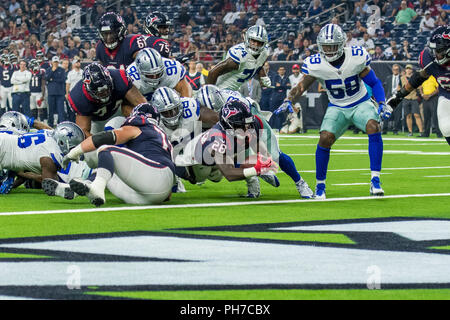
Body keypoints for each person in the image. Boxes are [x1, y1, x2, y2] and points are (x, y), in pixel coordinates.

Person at [285, 24, 391, 199]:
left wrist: (381, 103)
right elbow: (301, 86)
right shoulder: (316, 63)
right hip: (337, 106)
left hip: (360, 102)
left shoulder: (355, 57)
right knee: (325, 138)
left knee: (373, 125)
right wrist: (288, 99)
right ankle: (320, 186)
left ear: (342, 44)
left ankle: (375, 180)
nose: (328, 49)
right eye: (325, 46)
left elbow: (375, 82)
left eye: (332, 45)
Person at [196, 85, 314, 198]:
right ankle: (252, 180)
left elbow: (247, 125)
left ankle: (300, 183)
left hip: (249, 121)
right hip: (232, 127)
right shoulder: (208, 109)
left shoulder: (234, 107)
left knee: (275, 155)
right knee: (235, 157)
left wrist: (263, 162)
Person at [62, 103, 176, 206]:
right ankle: (83, 186)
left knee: (106, 150)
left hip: (155, 174)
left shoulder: (140, 127)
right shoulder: (161, 137)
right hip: (158, 192)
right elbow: (168, 195)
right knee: (109, 169)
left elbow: (102, 138)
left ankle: (97, 187)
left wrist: (74, 152)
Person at [174, 99, 278, 189]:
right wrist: (255, 171)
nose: (247, 128)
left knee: (217, 176)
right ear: (228, 124)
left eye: (248, 124)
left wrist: (266, 163)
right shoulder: (217, 138)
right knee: (199, 178)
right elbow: (229, 174)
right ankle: (175, 174)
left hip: (219, 154)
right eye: (241, 125)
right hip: (195, 159)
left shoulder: (250, 125)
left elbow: (260, 149)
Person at [0, 120, 84, 198]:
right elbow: (50, 185)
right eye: (73, 148)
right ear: (62, 142)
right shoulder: (52, 155)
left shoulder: (50, 133)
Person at [67, 62, 147, 138]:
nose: (104, 94)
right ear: (88, 90)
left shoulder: (120, 78)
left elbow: (142, 104)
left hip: (120, 111)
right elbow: (84, 131)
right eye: (99, 93)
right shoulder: (79, 97)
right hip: (97, 121)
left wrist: (146, 121)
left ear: (110, 80)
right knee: (94, 145)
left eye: (106, 89)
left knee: (137, 110)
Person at [206, 25, 272, 92]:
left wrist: (263, 76)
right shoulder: (239, 56)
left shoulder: (264, 52)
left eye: (259, 43)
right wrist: (210, 91)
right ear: (247, 39)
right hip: (221, 89)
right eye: (253, 41)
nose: (256, 45)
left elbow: (259, 63)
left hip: (236, 90)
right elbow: (212, 72)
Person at [126, 47, 192, 101]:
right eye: (150, 75)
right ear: (139, 72)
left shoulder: (173, 68)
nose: (155, 78)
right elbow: (127, 106)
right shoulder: (130, 77)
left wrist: (186, 103)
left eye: (158, 74)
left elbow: (184, 91)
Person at [401, 64, 425, 137]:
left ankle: (421, 131)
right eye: (407, 69)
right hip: (406, 98)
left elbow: (420, 87)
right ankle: (410, 131)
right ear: (405, 70)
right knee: (408, 115)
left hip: (414, 98)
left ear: (412, 70)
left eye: (409, 69)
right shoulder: (402, 78)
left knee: (417, 115)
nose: (408, 70)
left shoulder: (415, 78)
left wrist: (421, 93)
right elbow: (399, 87)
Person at [45, 56, 66, 127]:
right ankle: (50, 125)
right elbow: (47, 78)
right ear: (52, 62)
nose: (55, 64)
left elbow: (62, 80)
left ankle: (61, 125)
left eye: (57, 62)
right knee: (50, 110)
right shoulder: (48, 69)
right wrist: (52, 71)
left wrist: (52, 80)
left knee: (61, 111)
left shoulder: (62, 70)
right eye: (54, 62)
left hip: (60, 93)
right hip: (51, 93)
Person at [382, 64, 402, 135]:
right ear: (392, 70)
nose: (395, 71)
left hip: (397, 98)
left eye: (396, 69)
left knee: (397, 115)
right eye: (394, 69)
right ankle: (384, 129)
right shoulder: (388, 78)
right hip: (390, 98)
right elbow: (386, 88)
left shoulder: (401, 78)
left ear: (399, 70)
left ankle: (395, 130)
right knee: (387, 114)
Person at [65, 57, 83, 123]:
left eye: (79, 62)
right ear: (73, 64)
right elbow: (68, 84)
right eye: (76, 62)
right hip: (72, 93)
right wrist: (67, 93)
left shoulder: (83, 72)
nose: (78, 63)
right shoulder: (70, 73)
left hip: (81, 94)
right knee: (72, 110)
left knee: (81, 110)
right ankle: (72, 123)